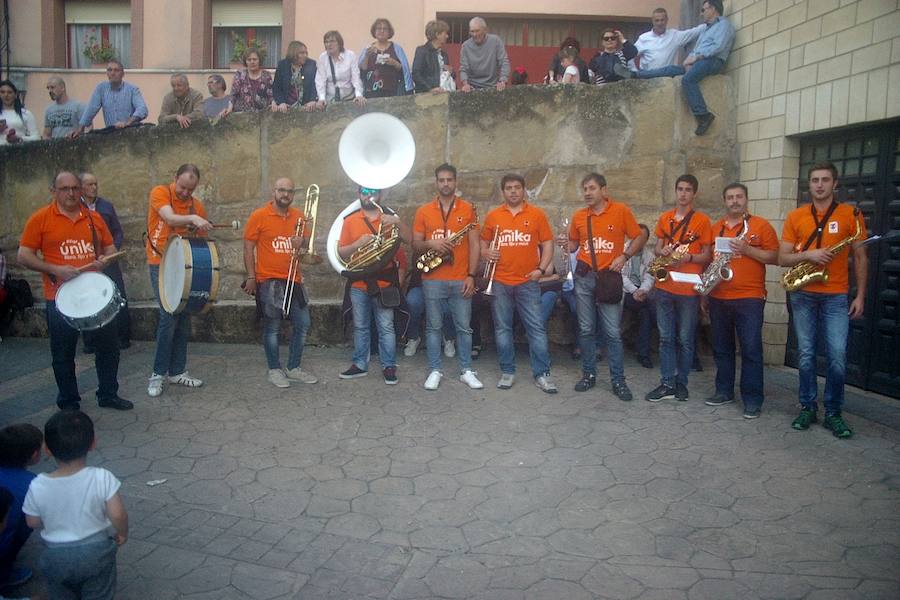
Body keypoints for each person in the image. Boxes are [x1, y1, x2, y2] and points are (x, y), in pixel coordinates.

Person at [17, 172, 133, 411]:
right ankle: (69, 401)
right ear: (54, 191)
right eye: (64, 189)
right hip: (59, 297)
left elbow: (110, 248)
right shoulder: (40, 218)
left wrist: (104, 260)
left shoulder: (94, 219)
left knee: (109, 348)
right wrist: (55, 269)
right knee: (63, 354)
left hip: (94, 295)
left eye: (75, 188)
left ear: (81, 190)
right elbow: (23, 255)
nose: (71, 193)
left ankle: (108, 394)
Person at [780, 161, 868, 438]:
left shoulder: (850, 214)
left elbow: (861, 257)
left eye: (825, 180)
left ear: (835, 183)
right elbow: (782, 258)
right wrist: (809, 255)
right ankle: (807, 406)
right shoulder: (796, 216)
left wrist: (861, 295)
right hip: (804, 294)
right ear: (809, 184)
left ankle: (833, 412)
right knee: (806, 355)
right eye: (815, 180)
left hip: (836, 296)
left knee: (837, 356)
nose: (819, 185)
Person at [23, 410, 128, 600]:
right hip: (96, 551)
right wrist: (122, 533)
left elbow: (32, 522)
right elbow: (118, 514)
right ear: (93, 443)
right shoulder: (102, 476)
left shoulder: (38, 484)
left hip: (55, 555)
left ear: (47, 448)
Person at [560, 173, 647, 401]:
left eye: (591, 188)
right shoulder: (579, 216)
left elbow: (638, 237)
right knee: (586, 329)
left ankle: (618, 380)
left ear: (604, 191)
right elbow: (573, 245)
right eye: (585, 189)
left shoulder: (620, 211)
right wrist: (565, 243)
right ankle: (589, 374)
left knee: (612, 333)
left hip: (609, 278)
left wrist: (625, 256)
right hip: (585, 277)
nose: (587, 193)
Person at [704, 183, 779, 418]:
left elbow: (774, 257)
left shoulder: (761, 226)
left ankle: (752, 399)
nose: (734, 201)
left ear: (746, 199)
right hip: (719, 297)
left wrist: (748, 250)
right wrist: (705, 291)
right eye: (730, 197)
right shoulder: (716, 228)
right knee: (722, 348)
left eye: (739, 197)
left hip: (750, 298)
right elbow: (711, 260)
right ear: (724, 201)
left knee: (751, 350)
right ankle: (724, 391)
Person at [480, 174, 557, 393]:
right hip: (500, 281)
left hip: (527, 281)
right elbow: (482, 243)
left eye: (517, 187)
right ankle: (507, 371)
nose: (513, 191)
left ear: (523, 190)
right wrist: (486, 253)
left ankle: (542, 374)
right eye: (508, 188)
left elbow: (548, 244)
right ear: (503, 192)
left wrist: (541, 270)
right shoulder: (494, 216)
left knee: (536, 329)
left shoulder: (536, 214)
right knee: (502, 328)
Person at [411, 164, 482, 391]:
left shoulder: (468, 209)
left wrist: (471, 276)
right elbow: (415, 244)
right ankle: (434, 370)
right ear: (436, 183)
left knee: (464, 328)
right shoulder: (423, 211)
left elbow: (474, 245)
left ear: (456, 182)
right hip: (432, 278)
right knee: (433, 328)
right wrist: (431, 243)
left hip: (461, 277)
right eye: (441, 180)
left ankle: (466, 370)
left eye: (449, 180)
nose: (445, 184)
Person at [242, 178, 318, 388]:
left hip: (294, 279)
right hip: (269, 279)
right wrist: (251, 277)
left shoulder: (300, 217)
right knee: (272, 327)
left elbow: (306, 249)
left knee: (303, 324)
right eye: (282, 190)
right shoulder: (259, 215)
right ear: (274, 191)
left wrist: (301, 242)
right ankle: (274, 369)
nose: (286, 194)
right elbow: (248, 247)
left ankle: (293, 367)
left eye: (290, 191)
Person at [145, 164, 212, 398]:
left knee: (183, 315)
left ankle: (177, 371)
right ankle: (157, 373)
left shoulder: (197, 205)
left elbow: (201, 239)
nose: (185, 193)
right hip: (159, 261)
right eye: (183, 187)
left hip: (184, 264)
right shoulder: (160, 192)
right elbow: (168, 217)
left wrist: (202, 226)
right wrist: (192, 218)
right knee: (168, 315)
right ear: (175, 179)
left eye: (190, 189)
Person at [645, 174, 713, 403]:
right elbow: (657, 248)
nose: (683, 194)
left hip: (689, 288)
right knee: (665, 338)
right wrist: (661, 252)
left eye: (687, 190)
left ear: (694, 194)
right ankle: (666, 382)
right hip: (665, 285)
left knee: (685, 339)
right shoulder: (665, 218)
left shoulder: (702, 221)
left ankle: (681, 383)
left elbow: (707, 255)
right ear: (676, 192)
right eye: (680, 189)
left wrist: (690, 256)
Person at [338, 186, 410, 384]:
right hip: (359, 283)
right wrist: (357, 244)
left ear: (380, 195)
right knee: (360, 326)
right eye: (364, 192)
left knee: (386, 327)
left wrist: (397, 221)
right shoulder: (350, 220)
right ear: (358, 194)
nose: (368, 196)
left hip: (384, 283)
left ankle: (389, 365)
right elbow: (341, 253)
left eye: (373, 192)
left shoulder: (389, 218)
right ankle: (360, 364)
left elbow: (411, 239)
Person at [80, 173, 130, 352]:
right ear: (81, 187)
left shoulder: (106, 206)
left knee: (117, 296)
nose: (94, 187)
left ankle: (123, 337)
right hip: (88, 262)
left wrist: (112, 249)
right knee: (88, 299)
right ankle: (90, 341)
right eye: (89, 184)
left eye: (95, 184)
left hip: (108, 261)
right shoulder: (76, 208)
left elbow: (118, 231)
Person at [682, 0, 735, 135]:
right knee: (670, 70)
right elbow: (696, 50)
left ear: (712, 9)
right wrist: (689, 62)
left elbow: (718, 47)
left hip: (713, 61)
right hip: (699, 62)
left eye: (703, 10)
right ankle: (637, 74)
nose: (701, 13)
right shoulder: (706, 29)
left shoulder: (724, 25)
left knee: (688, 80)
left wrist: (697, 58)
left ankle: (703, 115)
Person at [0, 424, 42, 589]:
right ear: (34, 455)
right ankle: (4, 576)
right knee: (26, 522)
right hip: (3, 540)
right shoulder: (32, 483)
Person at [73, 60, 148, 136]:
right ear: (107, 73)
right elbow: (91, 109)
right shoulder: (101, 88)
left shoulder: (132, 89)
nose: (112, 73)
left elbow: (142, 109)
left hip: (131, 134)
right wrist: (80, 129)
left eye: (116, 70)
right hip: (111, 136)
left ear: (123, 74)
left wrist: (127, 123)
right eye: (109, 70)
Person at [633, 7, 705, 79]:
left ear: (667, 20)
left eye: (662, 20)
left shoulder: (674, 35)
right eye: (657, 20)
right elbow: (631, 55)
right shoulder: (643, 38)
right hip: (647, 78)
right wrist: (634, 70)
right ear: (652, 21)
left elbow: (693, 32)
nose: (659, 23)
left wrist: (710, 22)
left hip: (665, 78)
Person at [621, 224, 656, 369]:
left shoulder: (649, 255)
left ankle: (643, 353)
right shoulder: (622, 251)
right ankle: (643, 353)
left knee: (645, 313)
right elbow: (620, 275)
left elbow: (650, 276)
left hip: (641, 294)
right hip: (624, 291)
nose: (639, 240)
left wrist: (642, 290)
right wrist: (634, 291)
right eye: (637, 236)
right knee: (649, 309)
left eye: (643, 238)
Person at [359, 18, 413, 98]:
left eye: (385, 29)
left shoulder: (397, 48)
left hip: (393, 91)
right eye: (378, 28)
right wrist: (367, 56)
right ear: (374, 31)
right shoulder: (368, 49)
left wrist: (394, 63)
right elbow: (362, 69)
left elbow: (404, 70)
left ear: (389, 32)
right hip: (371, 92)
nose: (382, 31)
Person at [314, 31, 366, 108]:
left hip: (349, 99)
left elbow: (356, 78)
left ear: (339, 43)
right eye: (326, 42)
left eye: (332, 41)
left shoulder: (350, 55)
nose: (329, 44)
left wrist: (358, 95)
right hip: (330, 101)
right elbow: (320, 80)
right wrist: (321, 98)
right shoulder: (323, 57)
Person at [459, 17, 510, 92]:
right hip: (472, 87)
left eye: (477, 31)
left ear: (485, 30)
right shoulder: (465, 46)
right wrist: (465, 84)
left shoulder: (495, 41)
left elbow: (504, 62)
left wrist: (502, 81)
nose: (475, 34)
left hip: (493, 86)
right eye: (472, 31)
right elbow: (463, 68)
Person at [273, 41, 318, 112]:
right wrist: (281, 102)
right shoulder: (283, 65)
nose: (305, 55)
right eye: (302, 53)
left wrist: (313, 100)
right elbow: (276, 88)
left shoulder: (311, 64)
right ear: (294, 53)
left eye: (306, 53)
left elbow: (315, 85)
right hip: (286, 107)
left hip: (306, 107)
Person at [226, 48, 274, 114]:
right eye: (249, 59)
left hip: (262, 116)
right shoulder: (239, 75)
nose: (252, 62)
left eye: (255, 59)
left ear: (259, 60)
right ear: (245, 61)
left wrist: (273, 104)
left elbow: (271, 95)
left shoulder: (266, 75)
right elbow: (233, 94)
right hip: (243, 116)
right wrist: (229, 107)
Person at [412, 19, 452, 94]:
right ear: (437, 34)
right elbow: (416, 74)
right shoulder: (422, 51)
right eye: (445, 33)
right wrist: (429, 89)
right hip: (426, 96)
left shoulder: (444, 54)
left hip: (442, 94)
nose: (447, 36)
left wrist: (451, 71)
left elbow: (447, 76)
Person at [0, 80, 39, 145]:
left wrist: (20, 138)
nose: (6, 95)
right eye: (2, 92)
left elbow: (36, 137)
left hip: (19, 151)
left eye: (9, 92)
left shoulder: (26, 113)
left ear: (15, 95)